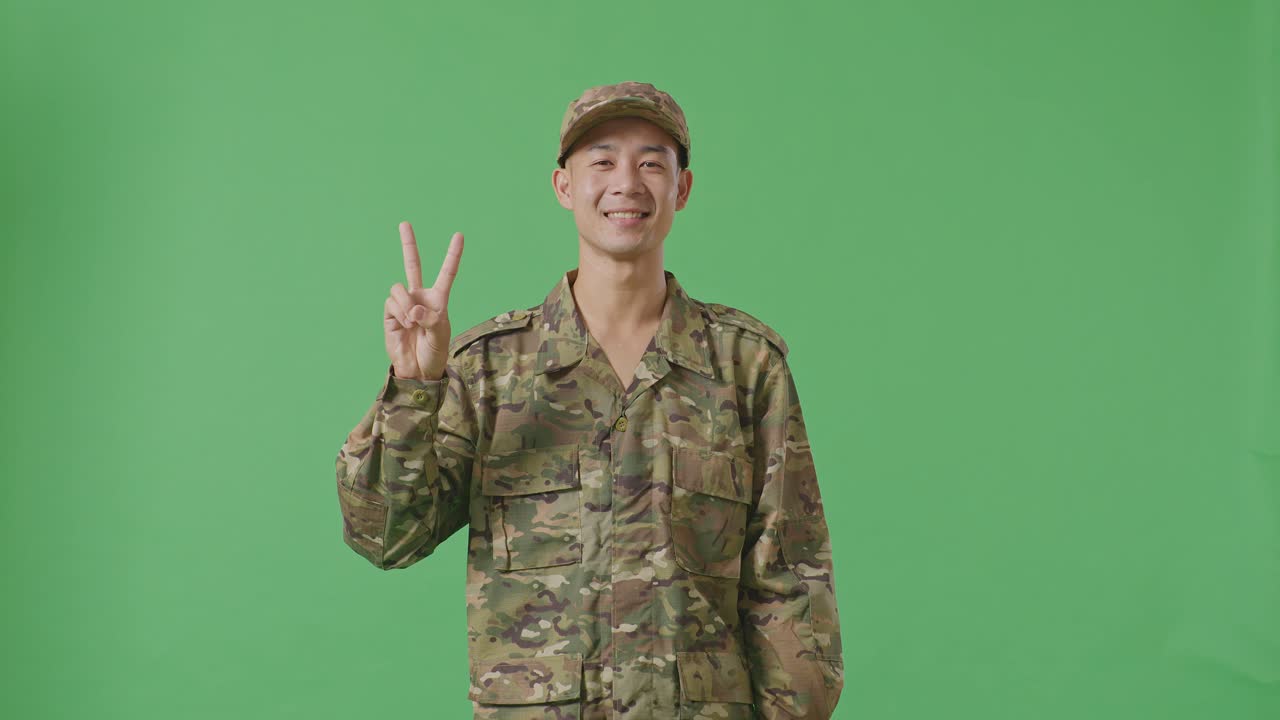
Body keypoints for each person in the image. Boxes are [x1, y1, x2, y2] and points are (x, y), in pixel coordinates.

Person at [335, 81, 844, 719]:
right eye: (601, 161)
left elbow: (791, 587)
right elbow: (384, 536)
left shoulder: (744, 367)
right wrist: (413, 389)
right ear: (564, 186)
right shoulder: (488, 370)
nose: (626, 182)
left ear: (681, 189)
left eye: (652, 162)